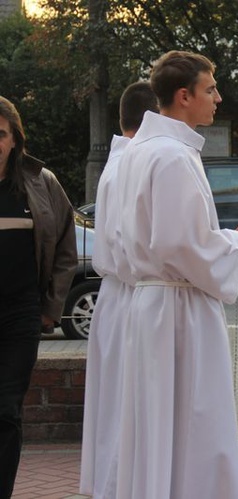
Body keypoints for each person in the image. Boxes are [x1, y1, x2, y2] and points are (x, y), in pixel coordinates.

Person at [112, 50, 238, 498]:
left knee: (159, 426)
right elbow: (179, 243)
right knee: (196, 421)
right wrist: (237, 243)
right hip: (178, 308)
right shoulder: (172, 156)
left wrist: (220, 245)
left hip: (153, 304)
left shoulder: (143, 150)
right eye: (210, 89)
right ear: (183, 95)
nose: (218, 97)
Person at [79, 81, 158, 498]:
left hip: (116, 294)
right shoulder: (134, 164)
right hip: (130, 293)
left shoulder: (120, 162)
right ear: (152, 117)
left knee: (114, 410)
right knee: (127, 412)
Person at [0, 96, 77, 499]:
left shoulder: (41, 182)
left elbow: (66, 246)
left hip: (19, 316)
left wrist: (51, 308)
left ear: (14, 139)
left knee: (6, 409)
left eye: (0, 133)